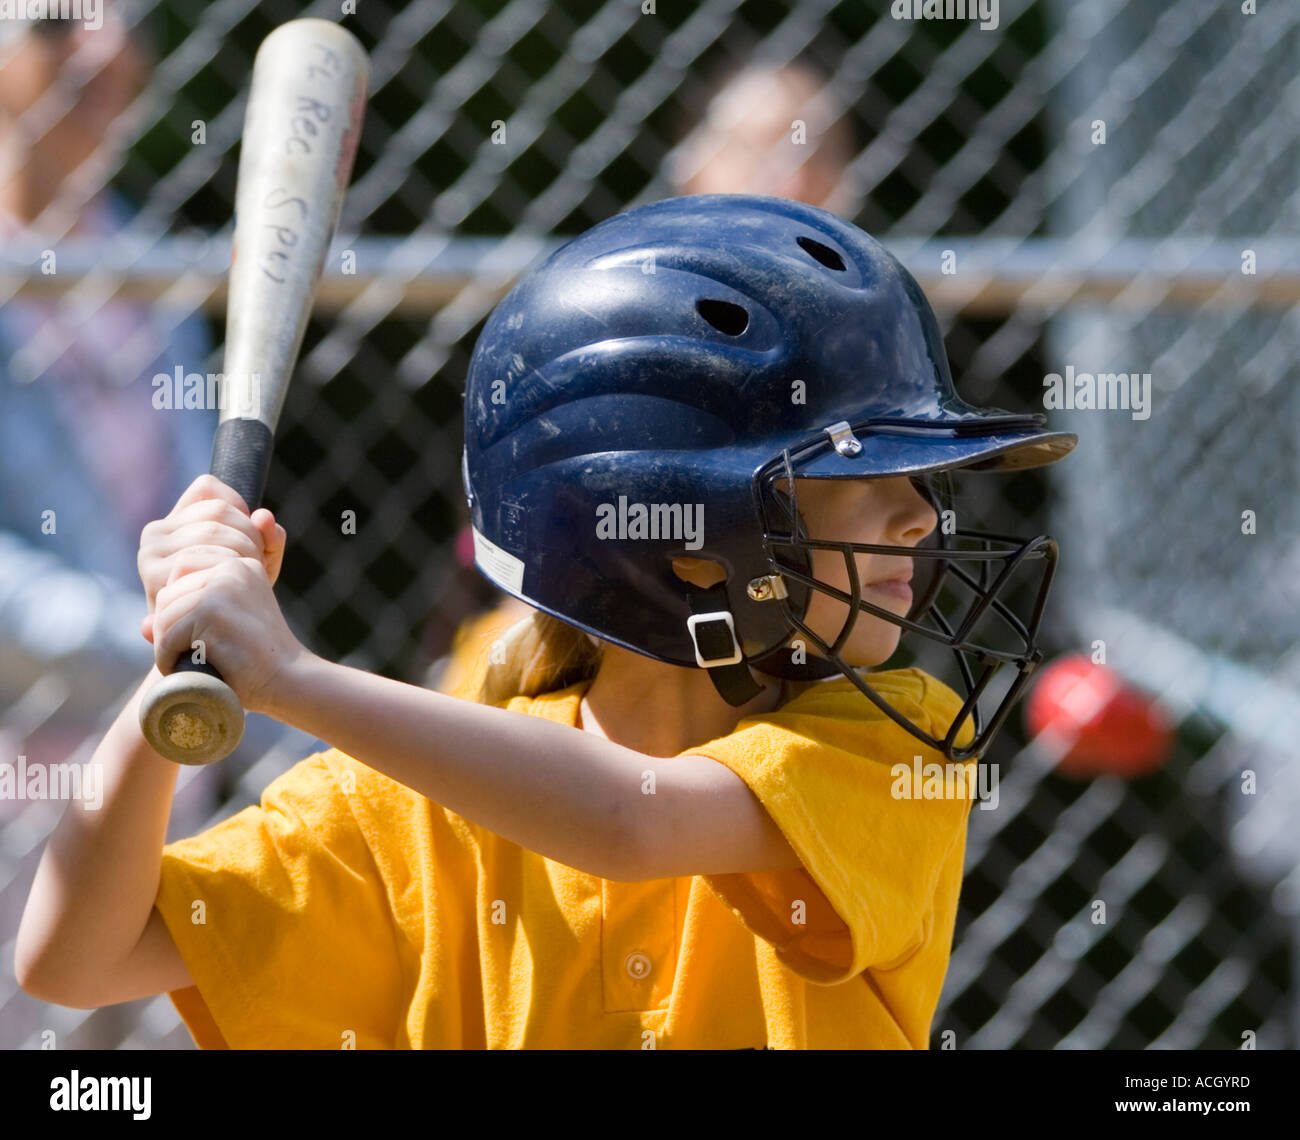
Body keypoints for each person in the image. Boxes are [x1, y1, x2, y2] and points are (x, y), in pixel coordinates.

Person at [17, 194, 1075, 1048]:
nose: (923, 513)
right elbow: (74, 956)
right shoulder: (404, 809)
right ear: (681, 529)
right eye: (864, 471)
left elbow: (628, 822)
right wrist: (185, 654)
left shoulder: (882, 741)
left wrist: (288, 674)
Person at [421, 59, 859, 699]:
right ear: (692, 165)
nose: (791, 173)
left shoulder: (870, 348)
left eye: (818, 149)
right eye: (758, 146)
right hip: (589, 643)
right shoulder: (619, 318)